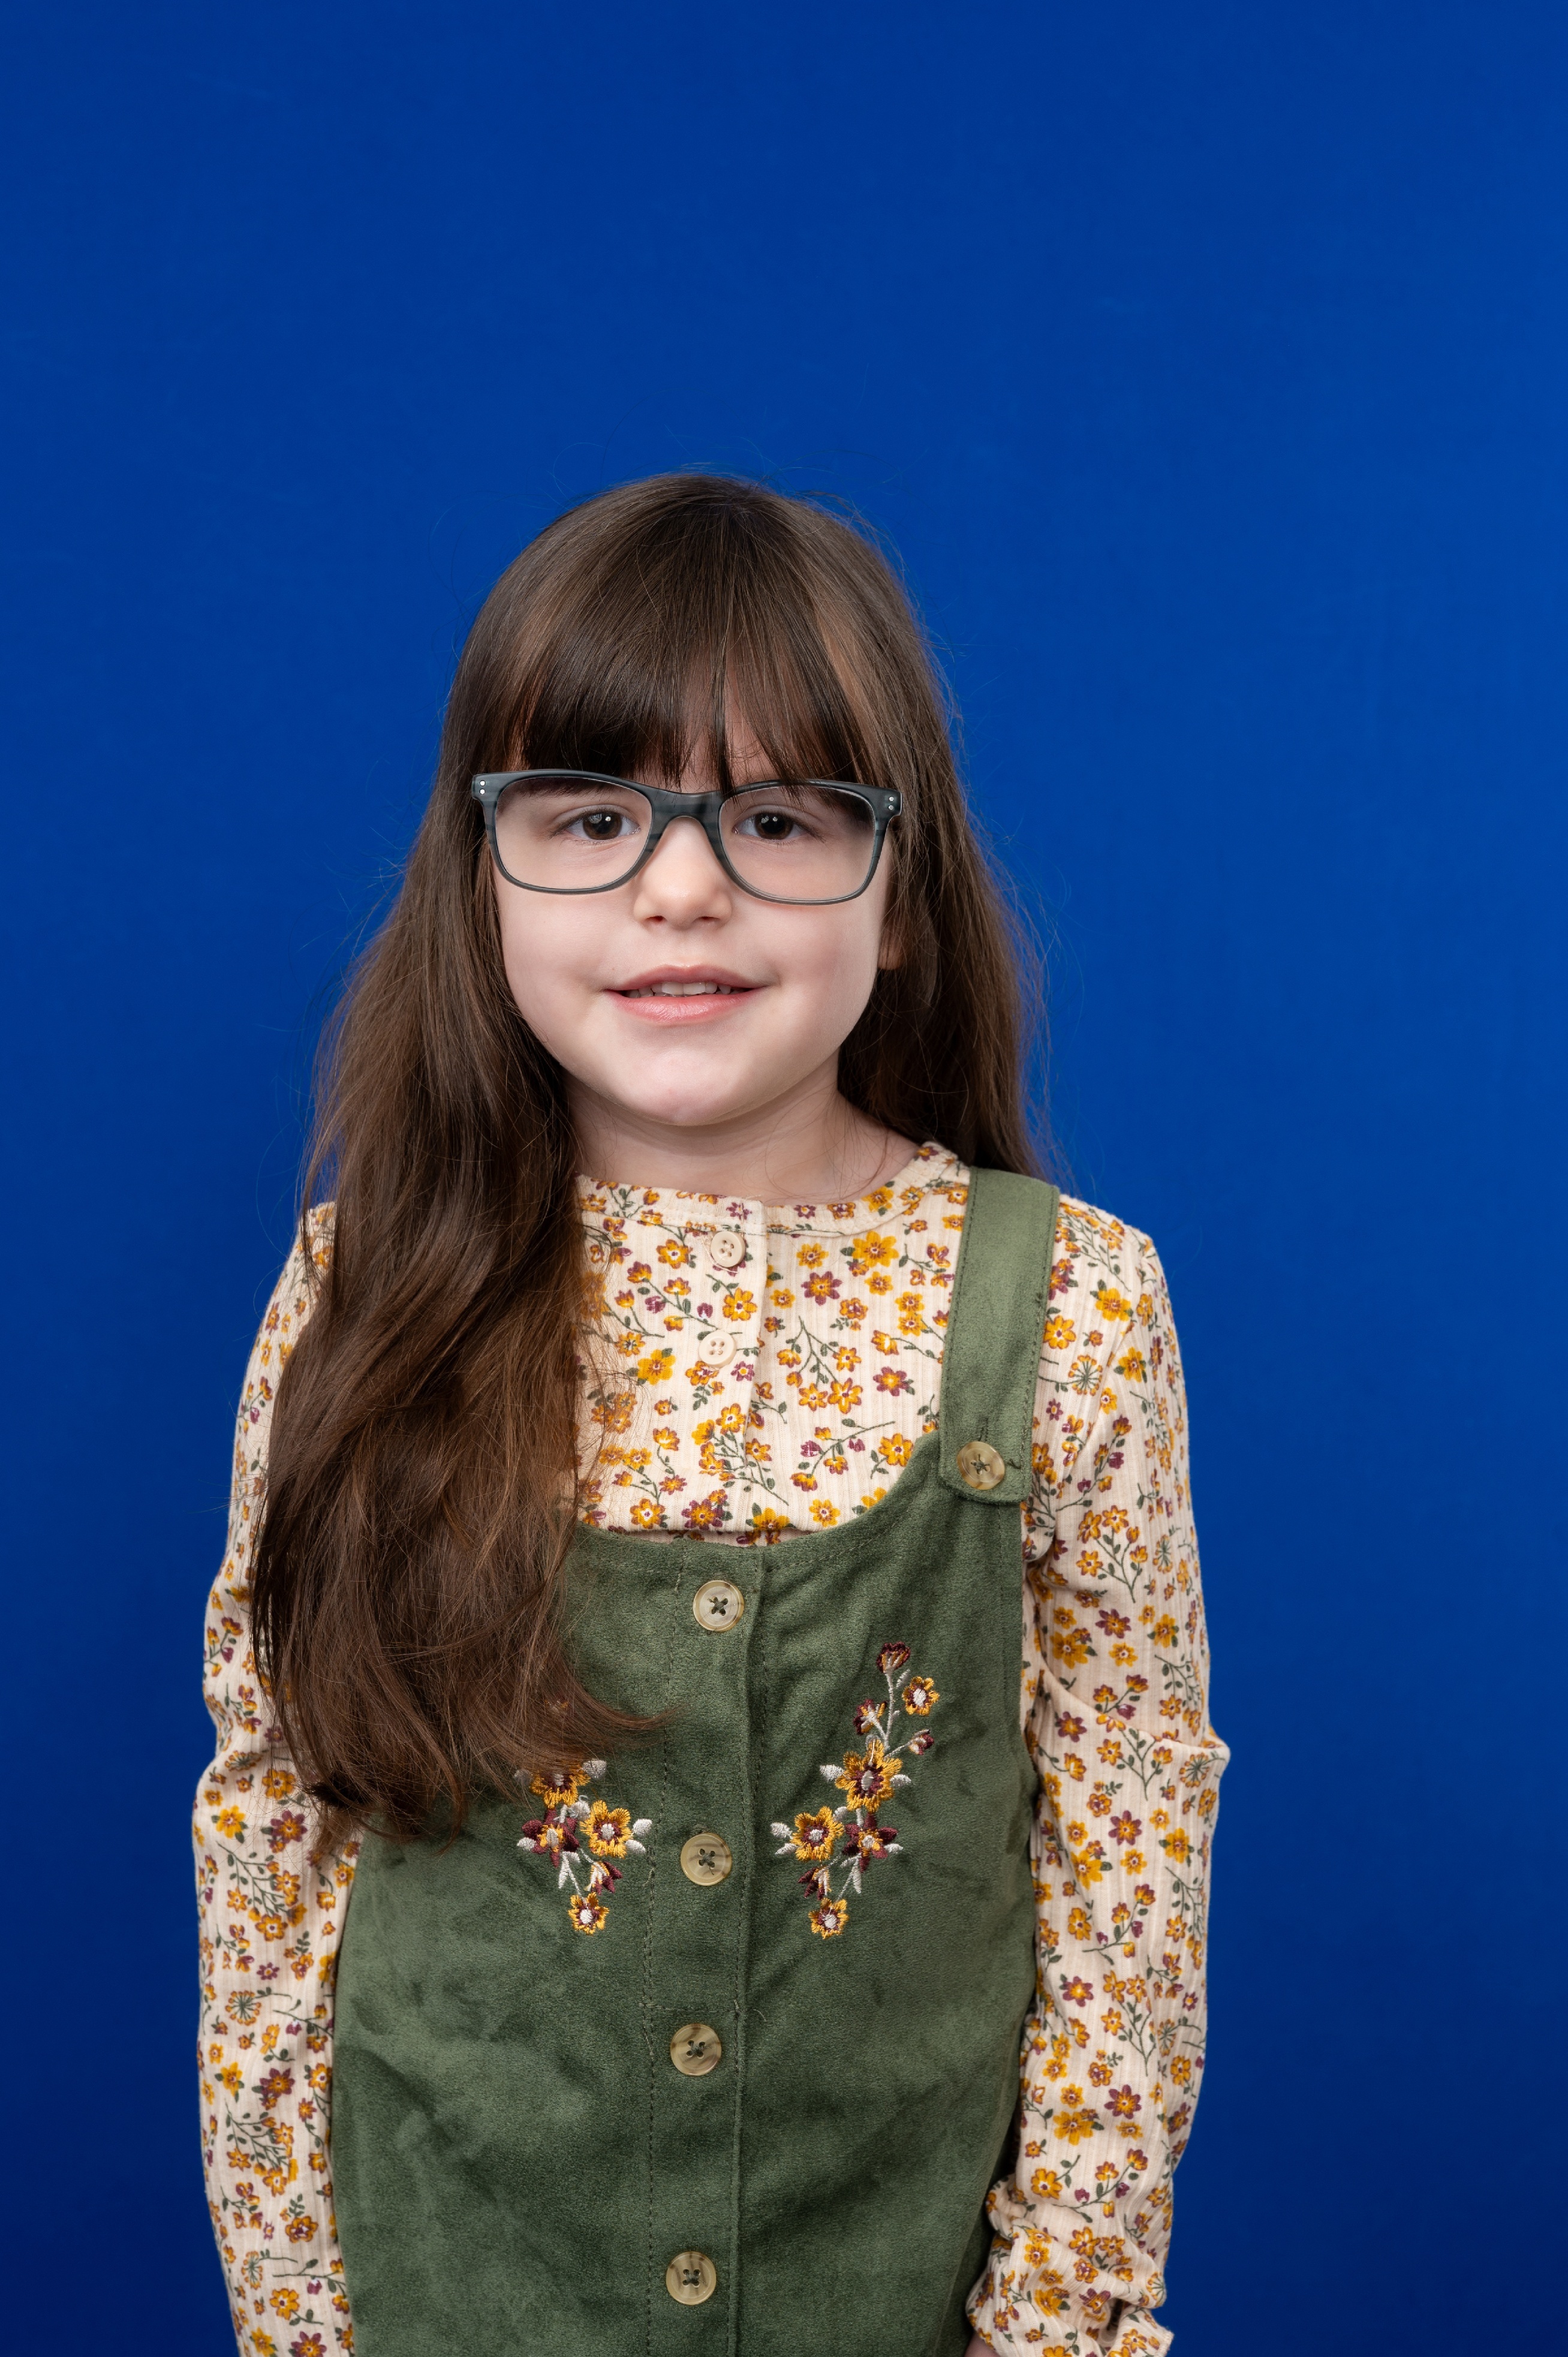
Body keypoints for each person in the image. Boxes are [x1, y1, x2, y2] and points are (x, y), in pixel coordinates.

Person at [194, 474, 1227, 2357]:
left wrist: (1056, 2327)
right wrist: (301, 2329)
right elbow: (278, 1831)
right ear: (483, 882)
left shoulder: (1075, 1306)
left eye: (777, 817)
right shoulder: (364, 1294)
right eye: (592, 816)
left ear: (900, 896)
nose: (683, 886)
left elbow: (1130, 1862)